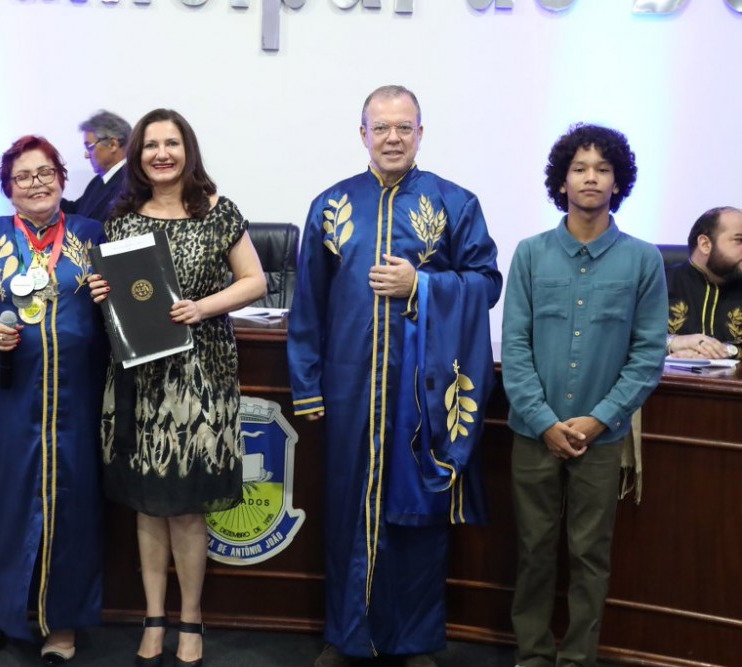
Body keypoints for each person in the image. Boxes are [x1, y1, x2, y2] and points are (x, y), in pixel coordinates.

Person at [287, 85, 502, 667]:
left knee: (418, 517)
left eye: (404, 127)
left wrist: (423, 286)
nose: (392, 138)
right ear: (362, 134)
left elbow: (487, 284)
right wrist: (307, 386)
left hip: (422, 393)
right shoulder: (331, 205)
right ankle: (346, 635)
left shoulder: (455, 203)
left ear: (421, 134)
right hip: (350, 388)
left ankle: (415, 640)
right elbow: (308, 304)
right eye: (380, 128)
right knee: (347, 509)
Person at [90, 108, 265, 667]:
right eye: (150, 146)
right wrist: (101, 292)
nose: (160, 154)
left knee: (187, 509)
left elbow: (255, 281)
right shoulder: (120, 220)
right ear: (136, 155)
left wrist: (199, 308)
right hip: (138, 380)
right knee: (147, 507)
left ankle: (191, 620)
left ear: (187, 150)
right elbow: (121, 302)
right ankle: (153, 618)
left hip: (201, 380)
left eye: (171, 143)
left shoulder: (218, 211)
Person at [0, 135, 108, 665]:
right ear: (8, 189)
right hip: (8, 401)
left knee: (74, 511)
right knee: (5, 505)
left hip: (78, 401)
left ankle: (62, 622)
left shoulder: (93, 235)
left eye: (45, 172)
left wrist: (115, 295)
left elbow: (129, 309)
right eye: (23, 176)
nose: (36, 183)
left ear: (62, 177)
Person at [501, 124, 667, 667]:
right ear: (562, 181)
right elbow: (515, 347)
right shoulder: (530, 254)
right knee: (533, 554)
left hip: (602, 438)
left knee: (590, 557)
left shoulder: (643, 261)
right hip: (533, 434)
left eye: (601, 168)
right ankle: (532, 656)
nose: (590, 177)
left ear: (618, 181)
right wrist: (545, 421)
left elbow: (647, 356)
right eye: (579, 168)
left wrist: (597, 420)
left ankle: (577, 660)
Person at [664, 206, 742, 360]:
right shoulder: (659, 283)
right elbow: (624, 339)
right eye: (739, 240)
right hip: (665, 382)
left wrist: (730, 351)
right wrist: (671, 343)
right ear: (705, 245)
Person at [60, 110, 131, 222]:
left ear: (113, 145)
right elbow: (77, 211)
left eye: (90, 147)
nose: (86, 155)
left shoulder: (131, 184)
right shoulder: (97, 181)